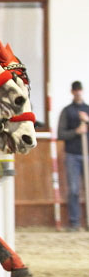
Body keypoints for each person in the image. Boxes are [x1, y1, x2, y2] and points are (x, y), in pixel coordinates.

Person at [57, 80, 89, 230]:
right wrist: (77, 131)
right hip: (72, 155)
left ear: (82, 91)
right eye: (75, 90)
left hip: (87, 154)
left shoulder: (87, 109)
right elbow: (61, 134)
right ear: (72, 92)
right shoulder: (67, 111)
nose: (77, 92)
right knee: (74, 190)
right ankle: (75, 222)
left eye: (79, 90)